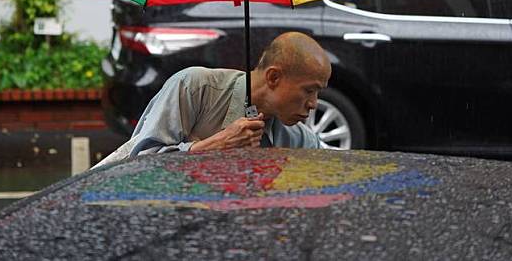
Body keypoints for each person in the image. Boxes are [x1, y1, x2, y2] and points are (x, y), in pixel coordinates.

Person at [93, 31, 332, 168]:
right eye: (309, 90)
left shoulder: (297, 138)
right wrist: (210, 147)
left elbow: (330, 172)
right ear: (273, 77)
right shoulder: (195, 88)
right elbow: (138, 166)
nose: (313, 103)